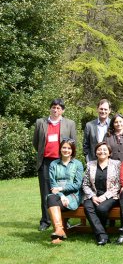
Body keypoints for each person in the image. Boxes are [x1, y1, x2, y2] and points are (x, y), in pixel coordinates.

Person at [33, 98, 77, 231]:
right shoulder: (41, 123)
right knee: (46, 192)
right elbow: (36, 143)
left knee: (64, 190)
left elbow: (73, 144)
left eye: (58, 108)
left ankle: (64, 220)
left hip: (62, 162)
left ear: (62, 110)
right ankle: (45, 221)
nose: (55, 110)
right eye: (53, 107)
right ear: (50, 108)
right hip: (46, 162)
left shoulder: (70, 123)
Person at [81, 142, 121, 245]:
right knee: (88, 207)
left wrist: (104, 197)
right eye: (99, 149)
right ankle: (102, 235)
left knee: (101, 209)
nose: (101, 151)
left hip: (111, 195)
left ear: (109, 153)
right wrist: (93, 196)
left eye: (104, 150)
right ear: (95, 152)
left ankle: (99, 233)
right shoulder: (90, 164)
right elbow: (85, 184)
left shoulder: (116, 164)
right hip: (93, 194)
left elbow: (118, 184)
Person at [45, 139, 83, 244]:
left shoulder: (78, 164)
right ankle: (59, 231)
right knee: (51, 197)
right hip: (58, 196)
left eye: (69, 148)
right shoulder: (54, 164)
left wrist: (61, 189)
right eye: (64, 147)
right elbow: (53, 185)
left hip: (73, 196)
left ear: (73, 150)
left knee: (51, 200)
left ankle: (58, 233)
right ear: (60, 149)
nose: (66, 150)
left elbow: (77, 185)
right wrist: (61, 195)